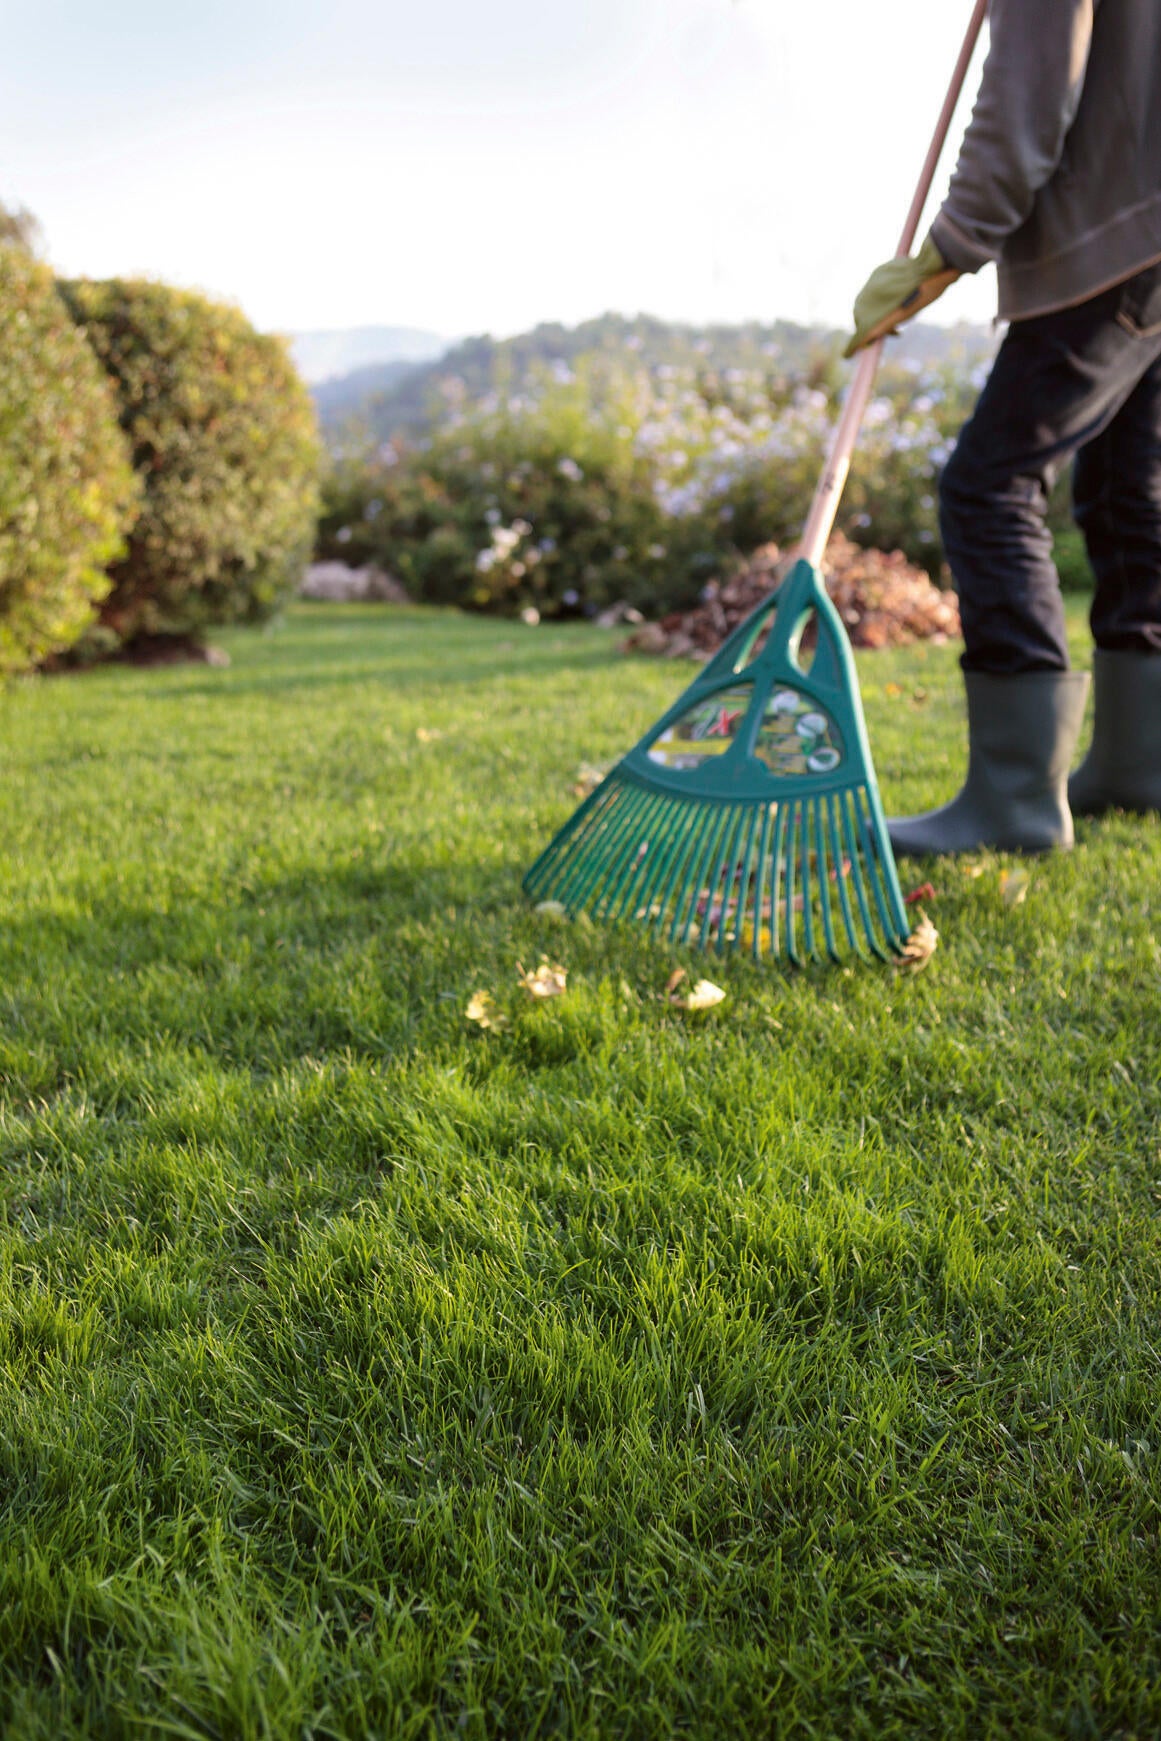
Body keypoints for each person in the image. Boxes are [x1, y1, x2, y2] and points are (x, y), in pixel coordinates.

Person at [847, 0, 1161, 855]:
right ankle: (1141, 764)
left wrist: (947, 249)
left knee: (989, 486)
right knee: (1126, 490)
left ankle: (1015, 800)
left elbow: (1029, 96)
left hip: (1111, 234)